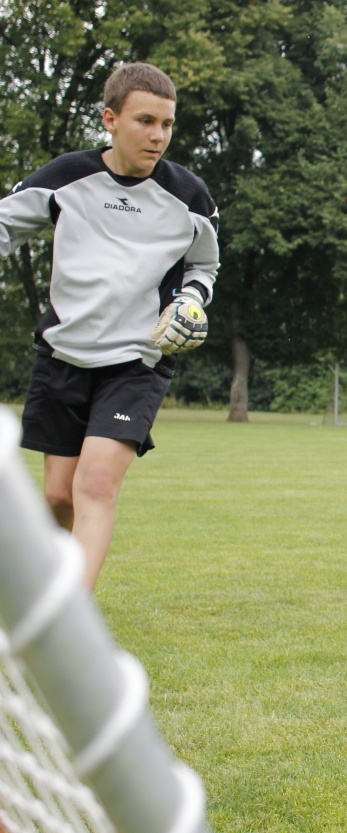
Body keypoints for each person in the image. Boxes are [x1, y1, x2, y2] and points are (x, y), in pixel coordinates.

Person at [0, 63, 219, 590]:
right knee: (57, 497)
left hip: (136, 362)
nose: (158, 136)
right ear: (110, 119)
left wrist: (191, 301)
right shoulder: (65, 178)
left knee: (95, 484)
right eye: (145, 121)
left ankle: (71, 622)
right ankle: (51, 592)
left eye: (167, 124)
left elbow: (204, 266)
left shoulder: (190, 198)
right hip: (63, 355)